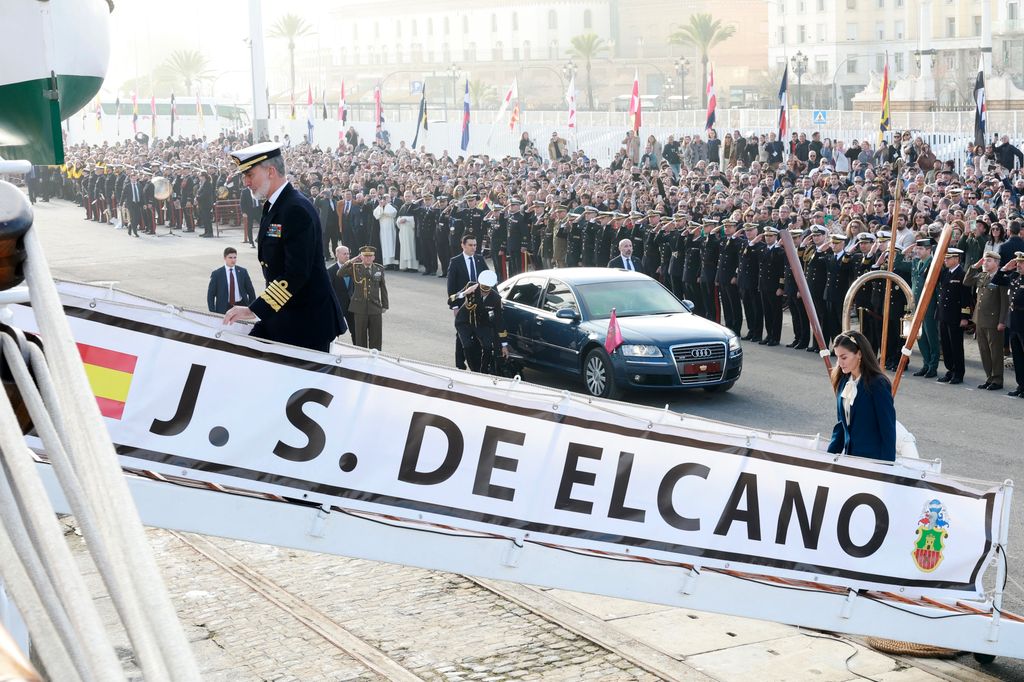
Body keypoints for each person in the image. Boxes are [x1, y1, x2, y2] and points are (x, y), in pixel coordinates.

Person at [222, 142, 345, 352]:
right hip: (285, 313)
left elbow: (296, 273)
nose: (246, 182)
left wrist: (254, 310)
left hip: (307, 323)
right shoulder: (275, 205)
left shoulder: (295, 209)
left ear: (270, 171)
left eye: (250, 175)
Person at [827, 330, 896, 461]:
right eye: (837, 357)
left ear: (859, 354)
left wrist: (887, 467)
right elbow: (842, 425)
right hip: (850, 458)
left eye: (844, 357)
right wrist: (828, 457)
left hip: (873, 461)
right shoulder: (843, 381)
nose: (840, 363)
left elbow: (888, 429)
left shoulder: (878, 384)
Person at [449, 269, 509, 373]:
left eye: (486, 291)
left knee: (487, 346)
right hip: (464, 322)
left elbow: (499, 321)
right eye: (482, 290)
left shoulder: (495, 298)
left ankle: (484, 370)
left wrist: (504, 345)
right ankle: (474, 371)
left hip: (481, 323)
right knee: (467, 346)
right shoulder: (470, 286)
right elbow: (450, 299)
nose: (483, 293)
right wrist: (464, 293)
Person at [965, 250, 1010, 390]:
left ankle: (997, 379)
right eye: (984, 260)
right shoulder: (983, 276)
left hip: (994, 321)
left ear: (997, 263)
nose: (985, 263)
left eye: (988, 261)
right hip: (980, 319)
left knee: (995, 351)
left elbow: (1004, 302)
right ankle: (989, 377)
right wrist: (975, 266)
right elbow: (967, 281)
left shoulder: (1001, 278)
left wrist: (1002, 321)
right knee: (984, 350)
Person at [339, 245, 389, 349]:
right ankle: (361, 360)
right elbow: (340, 273)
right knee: (360, 338)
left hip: (375, 307)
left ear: (374, 257)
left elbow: (383, 288)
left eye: (370, 256)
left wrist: (385, 305)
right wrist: (351, 261)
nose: (368, 258)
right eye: (365, 256)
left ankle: (375, 358)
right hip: (359, 308)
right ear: (361, 257)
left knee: (376, 337)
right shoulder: (355, 267)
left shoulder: (379, 269)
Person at [935, 247, 972, 384]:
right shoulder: (945, 272)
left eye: (948, 258)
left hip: (956, 316)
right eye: (945, 258)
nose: (945, 260)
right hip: (944, 314)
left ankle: (959, 373)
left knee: (956, 345)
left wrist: (964, 317)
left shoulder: (962, 274)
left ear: (956, 259)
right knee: (946, 345)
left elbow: (966, 298)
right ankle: (950, 369)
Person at [994, 251, 1024, 397]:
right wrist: (1005, 268)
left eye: (1022, 263)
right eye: (1018, 263)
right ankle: (1021, 386)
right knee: (1018, 357)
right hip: (1014, 322)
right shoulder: (1014, 276)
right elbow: (997, 280)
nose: (1019, 265)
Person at [207, 247, 256, 314]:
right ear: (225, 258)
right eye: (230, 257)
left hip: (241, 305)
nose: (233, 260)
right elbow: (211, 294)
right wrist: (212, 311)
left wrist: (252, 307)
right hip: (224, 307)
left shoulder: (242, 272)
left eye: (235, 257)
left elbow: (251, 291)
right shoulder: (217, 274)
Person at [327, 245, 356, 344]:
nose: (347, 256)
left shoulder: (354, 268)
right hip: (338, 306)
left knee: (355, 331)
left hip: (352, 305)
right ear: (337, 255)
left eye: (348, 253)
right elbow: (329, 289)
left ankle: (358, 350)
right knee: (335, 331)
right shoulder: (331, 270)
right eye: (344, 254)